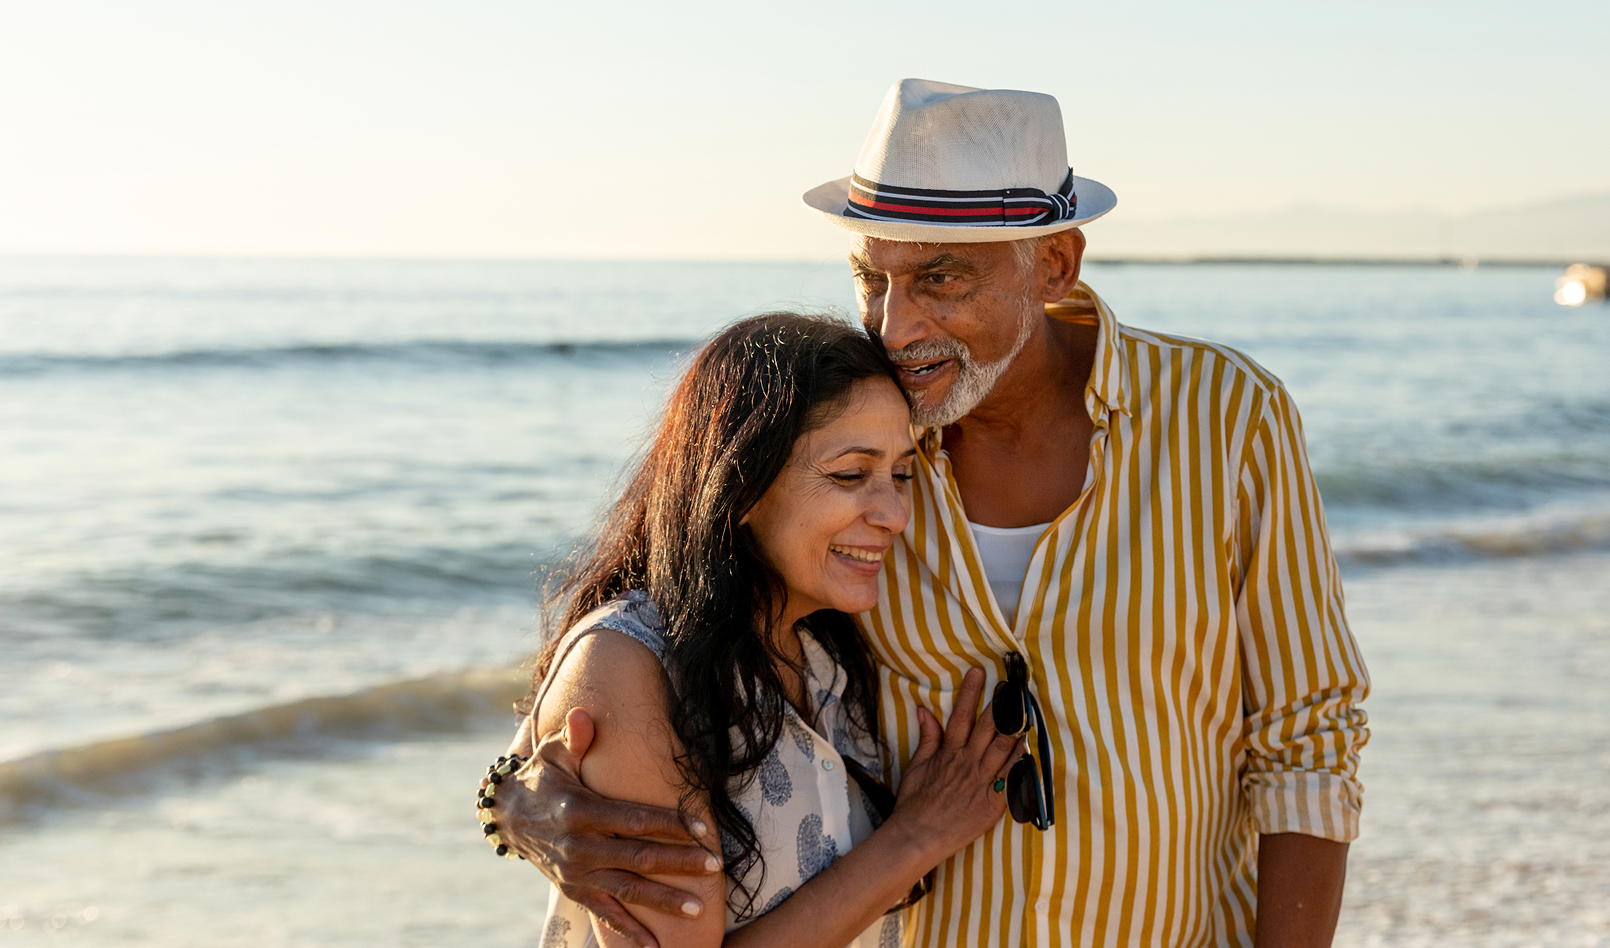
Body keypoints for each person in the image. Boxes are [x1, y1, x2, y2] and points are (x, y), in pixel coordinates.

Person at [491, 80, 1370, 948]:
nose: (895, 327)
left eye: (939, 278)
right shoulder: (859, 434)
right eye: (871, 278)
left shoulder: (1228, 418)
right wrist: (514, 794)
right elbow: (665, 621)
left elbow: (1308, 740)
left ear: (1055, 265)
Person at [499, 312, 1024, 948]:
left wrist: (501, 797)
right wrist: (917, 838)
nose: (894, 513)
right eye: (850, 475)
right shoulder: (632, 663)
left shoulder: (826, 648)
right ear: (741, 487)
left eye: (901, 474)